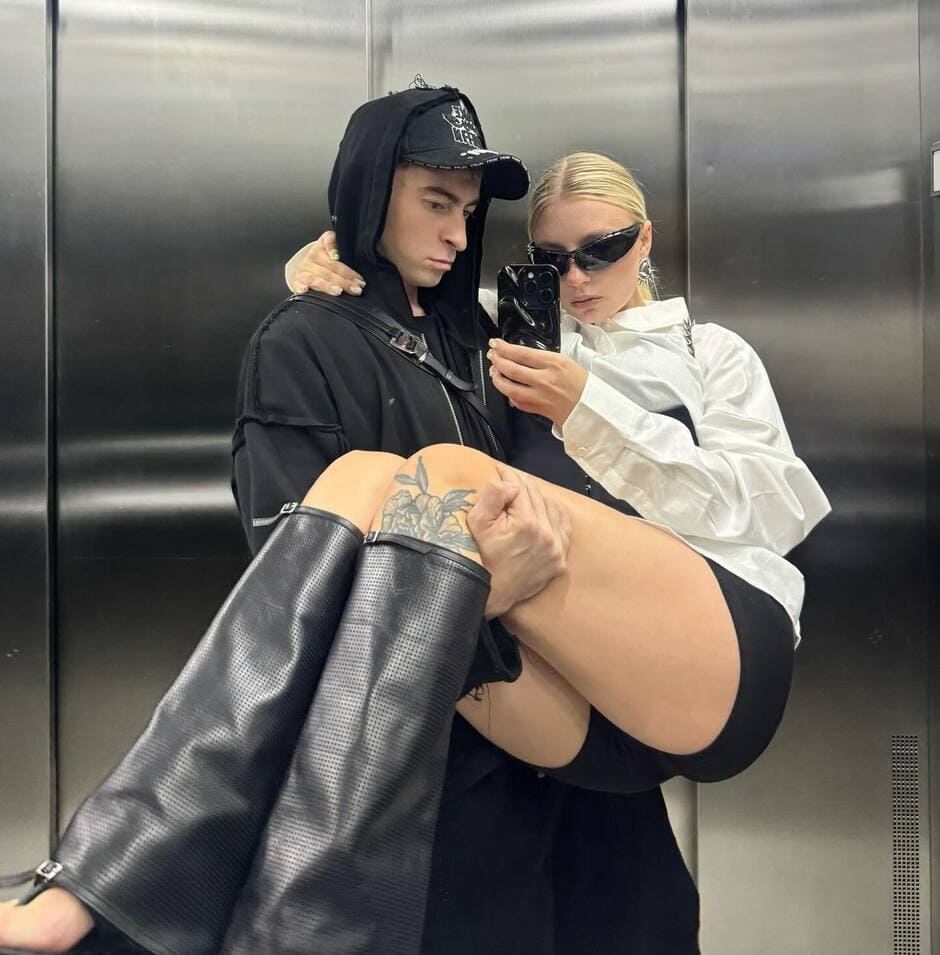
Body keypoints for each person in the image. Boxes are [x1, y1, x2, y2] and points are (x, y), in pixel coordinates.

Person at [0, 86, 830, 955]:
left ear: (645, 239)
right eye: (552, 259)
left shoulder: (708, 354)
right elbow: (382, 316)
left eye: (604, 250)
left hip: (713, 651)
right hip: (564, 718)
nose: (579, 278)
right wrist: (323, 274)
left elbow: (779, 509)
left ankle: (131, 881)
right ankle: (115, 884)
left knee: (440, 475)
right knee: (369, 479)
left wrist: (590, 408)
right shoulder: (508, 340)